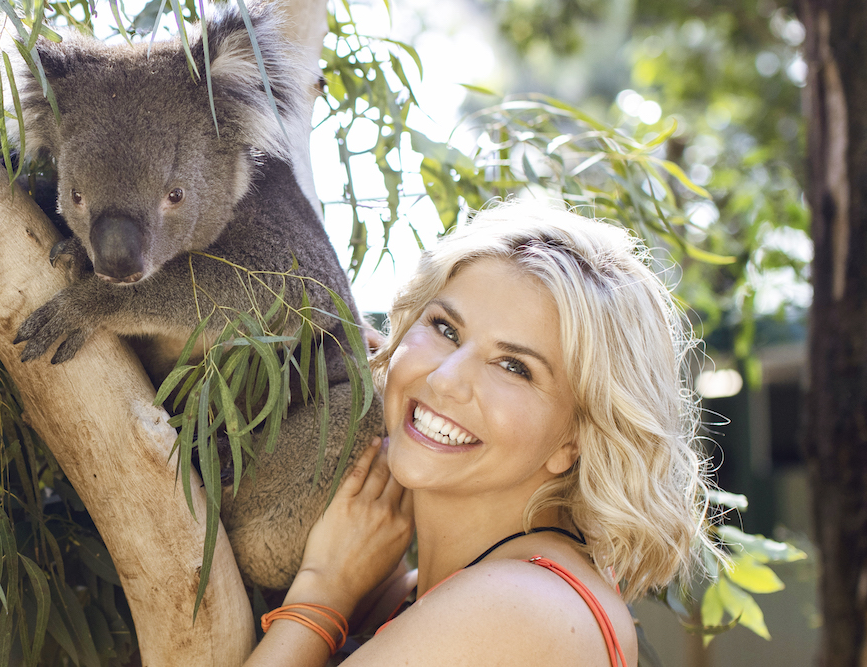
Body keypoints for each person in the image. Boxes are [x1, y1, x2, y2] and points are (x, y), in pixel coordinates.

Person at [245, 202, 718, 666]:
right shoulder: (415, 591)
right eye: (445, 329)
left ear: (576, 438)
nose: (445, 379)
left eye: (514, 367)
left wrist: (323, 589)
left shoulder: (518, 609)